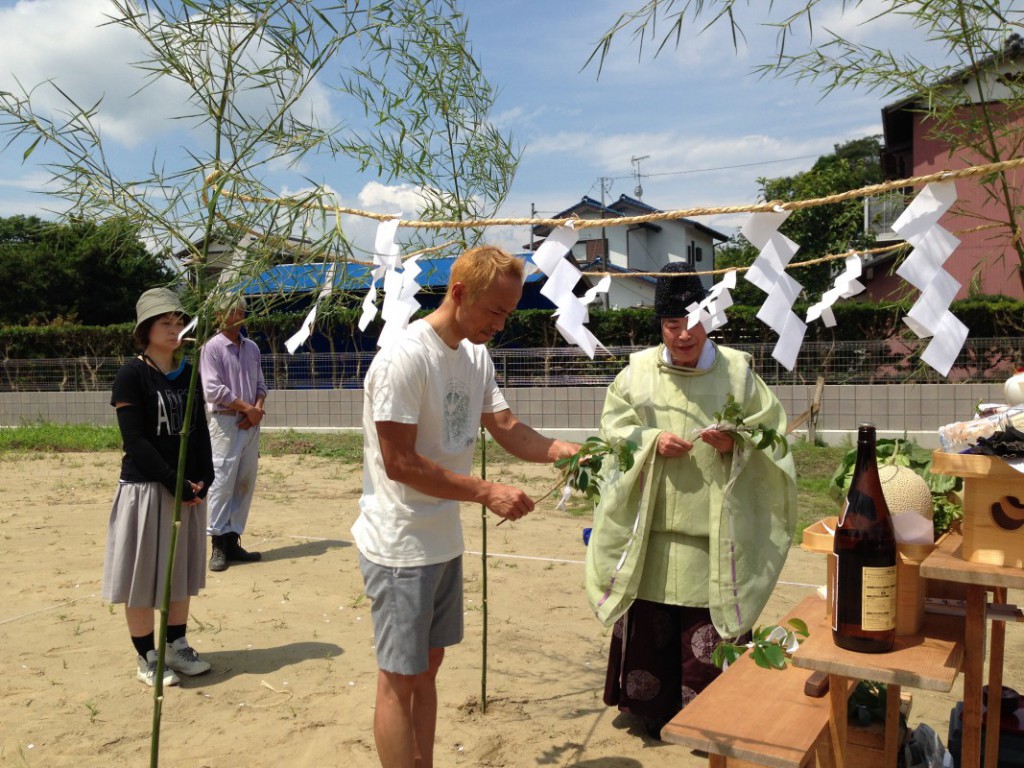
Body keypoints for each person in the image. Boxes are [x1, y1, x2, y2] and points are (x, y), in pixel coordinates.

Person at [352, 245, 580, 768]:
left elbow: (506, 429)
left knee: (428, 668)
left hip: (441, 538)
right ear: (459, 294)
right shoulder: (404, 358)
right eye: (495, 311)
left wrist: (569, 453)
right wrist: (486, 491)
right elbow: (400, 463)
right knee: (398, 678)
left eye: (508, 312)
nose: (501, 324)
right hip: (398, 543)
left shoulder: (475, 356)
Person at [584, 262, 797, 738]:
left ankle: (709, 714)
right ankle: (647, 709)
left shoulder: (738, 373)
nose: (683, 335)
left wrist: (737, 444)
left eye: (692, 322)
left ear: (709, 318)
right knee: (652, 625)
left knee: (706, 625)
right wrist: (649, 442)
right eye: (672, 324)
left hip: (713, 535)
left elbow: (772, 435)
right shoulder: (637, 373)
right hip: (652, 532)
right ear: (661, 326)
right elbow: (612, 435)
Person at [102, 287, 215, 687]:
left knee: (178, 573)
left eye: (178, 322)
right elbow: (135, 442)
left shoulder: (189, 372)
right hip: (147, 489)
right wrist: (174, 480)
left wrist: (205, 476)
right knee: (142, 575)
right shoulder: (132, 374)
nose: (174, 329)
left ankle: (176, 645)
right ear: (145, 329)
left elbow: (198, 430)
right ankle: (146, 656)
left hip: (187, 489)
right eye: (164, 323)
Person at [199, 296, 267, 572]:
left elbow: (261, 384)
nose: (237, 317)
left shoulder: (251, 348)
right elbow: (213, 390)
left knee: (245, 480)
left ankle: (232, 538)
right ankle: (217, 541)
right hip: (225, 422)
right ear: (219, 315)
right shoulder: (211, 348)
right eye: (231, 312)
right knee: (223, 480)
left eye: (241, 312)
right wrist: (248, 409)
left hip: (250, 423)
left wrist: (256, 411)